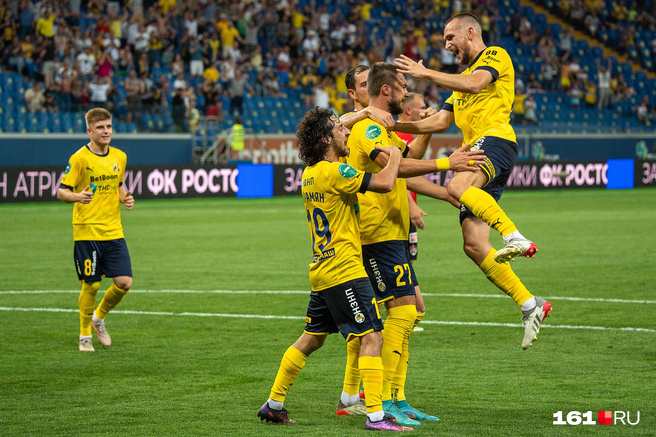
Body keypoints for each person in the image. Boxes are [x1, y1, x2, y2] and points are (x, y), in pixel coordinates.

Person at [394, 12, 552, 350]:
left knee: (457, 187)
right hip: (478, 151)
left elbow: (477, 83)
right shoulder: (460, 81)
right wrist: (392, 126)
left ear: (470, 32)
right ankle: (530, 305)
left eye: (450, 38)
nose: (447, 45)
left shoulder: (494, 55)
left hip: (495, 140)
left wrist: (426, 73)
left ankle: (514, 236)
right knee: (474, 244)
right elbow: (438, 122)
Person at [345, 62, 484, 426]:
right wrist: (446, 162)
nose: (407, 92)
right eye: (403, 86)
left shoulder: (385, 130)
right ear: (386, 90)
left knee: (407, 313)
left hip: (392, 233)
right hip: (374, 234)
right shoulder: (367, 129)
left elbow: (405, 173)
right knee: (401, 313)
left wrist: (448, 194)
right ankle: (380, 400)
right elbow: (396, 170)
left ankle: (398, 399)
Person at [258, 107, 412, 432]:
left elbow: (337, 131)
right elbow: (386, 182)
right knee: (372, 336)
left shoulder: (310, 174)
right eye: (339, 129)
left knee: (311, 339)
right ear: (327, 139)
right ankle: (376, 416)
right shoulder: (336, 172)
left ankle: (273, 404)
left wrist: (363, 112)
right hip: (344, 270)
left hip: (322, 269)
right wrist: (396, 153)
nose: (347, 132)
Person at [56, 108, 135, 352]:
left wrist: (125, 198)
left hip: (113, 230)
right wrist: (77, 196)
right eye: (100, 127)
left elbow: (118, 185)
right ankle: (84, 336)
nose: (106, 131)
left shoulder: (120, 156)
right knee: (91, 285)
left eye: (109, 126)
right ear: (89, 131)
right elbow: (61, 192)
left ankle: (98, 319)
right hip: (87, 231)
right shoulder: (79, 158)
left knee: (124, 282)